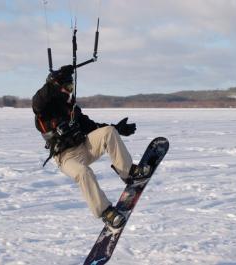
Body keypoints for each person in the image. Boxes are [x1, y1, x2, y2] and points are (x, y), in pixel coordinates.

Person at [32, 65, 150, 228]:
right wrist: (55, 80)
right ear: (58, 87)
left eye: (71, 86)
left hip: (84, 148)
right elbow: (38, 100)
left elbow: (92, 127)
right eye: (67, 87)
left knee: (108, 132)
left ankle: (128, 172)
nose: (70, 90)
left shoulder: (72, 109)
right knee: (83, 172)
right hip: (65, 158)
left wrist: (117, 128)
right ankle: (106, 212)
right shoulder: (43, 111)